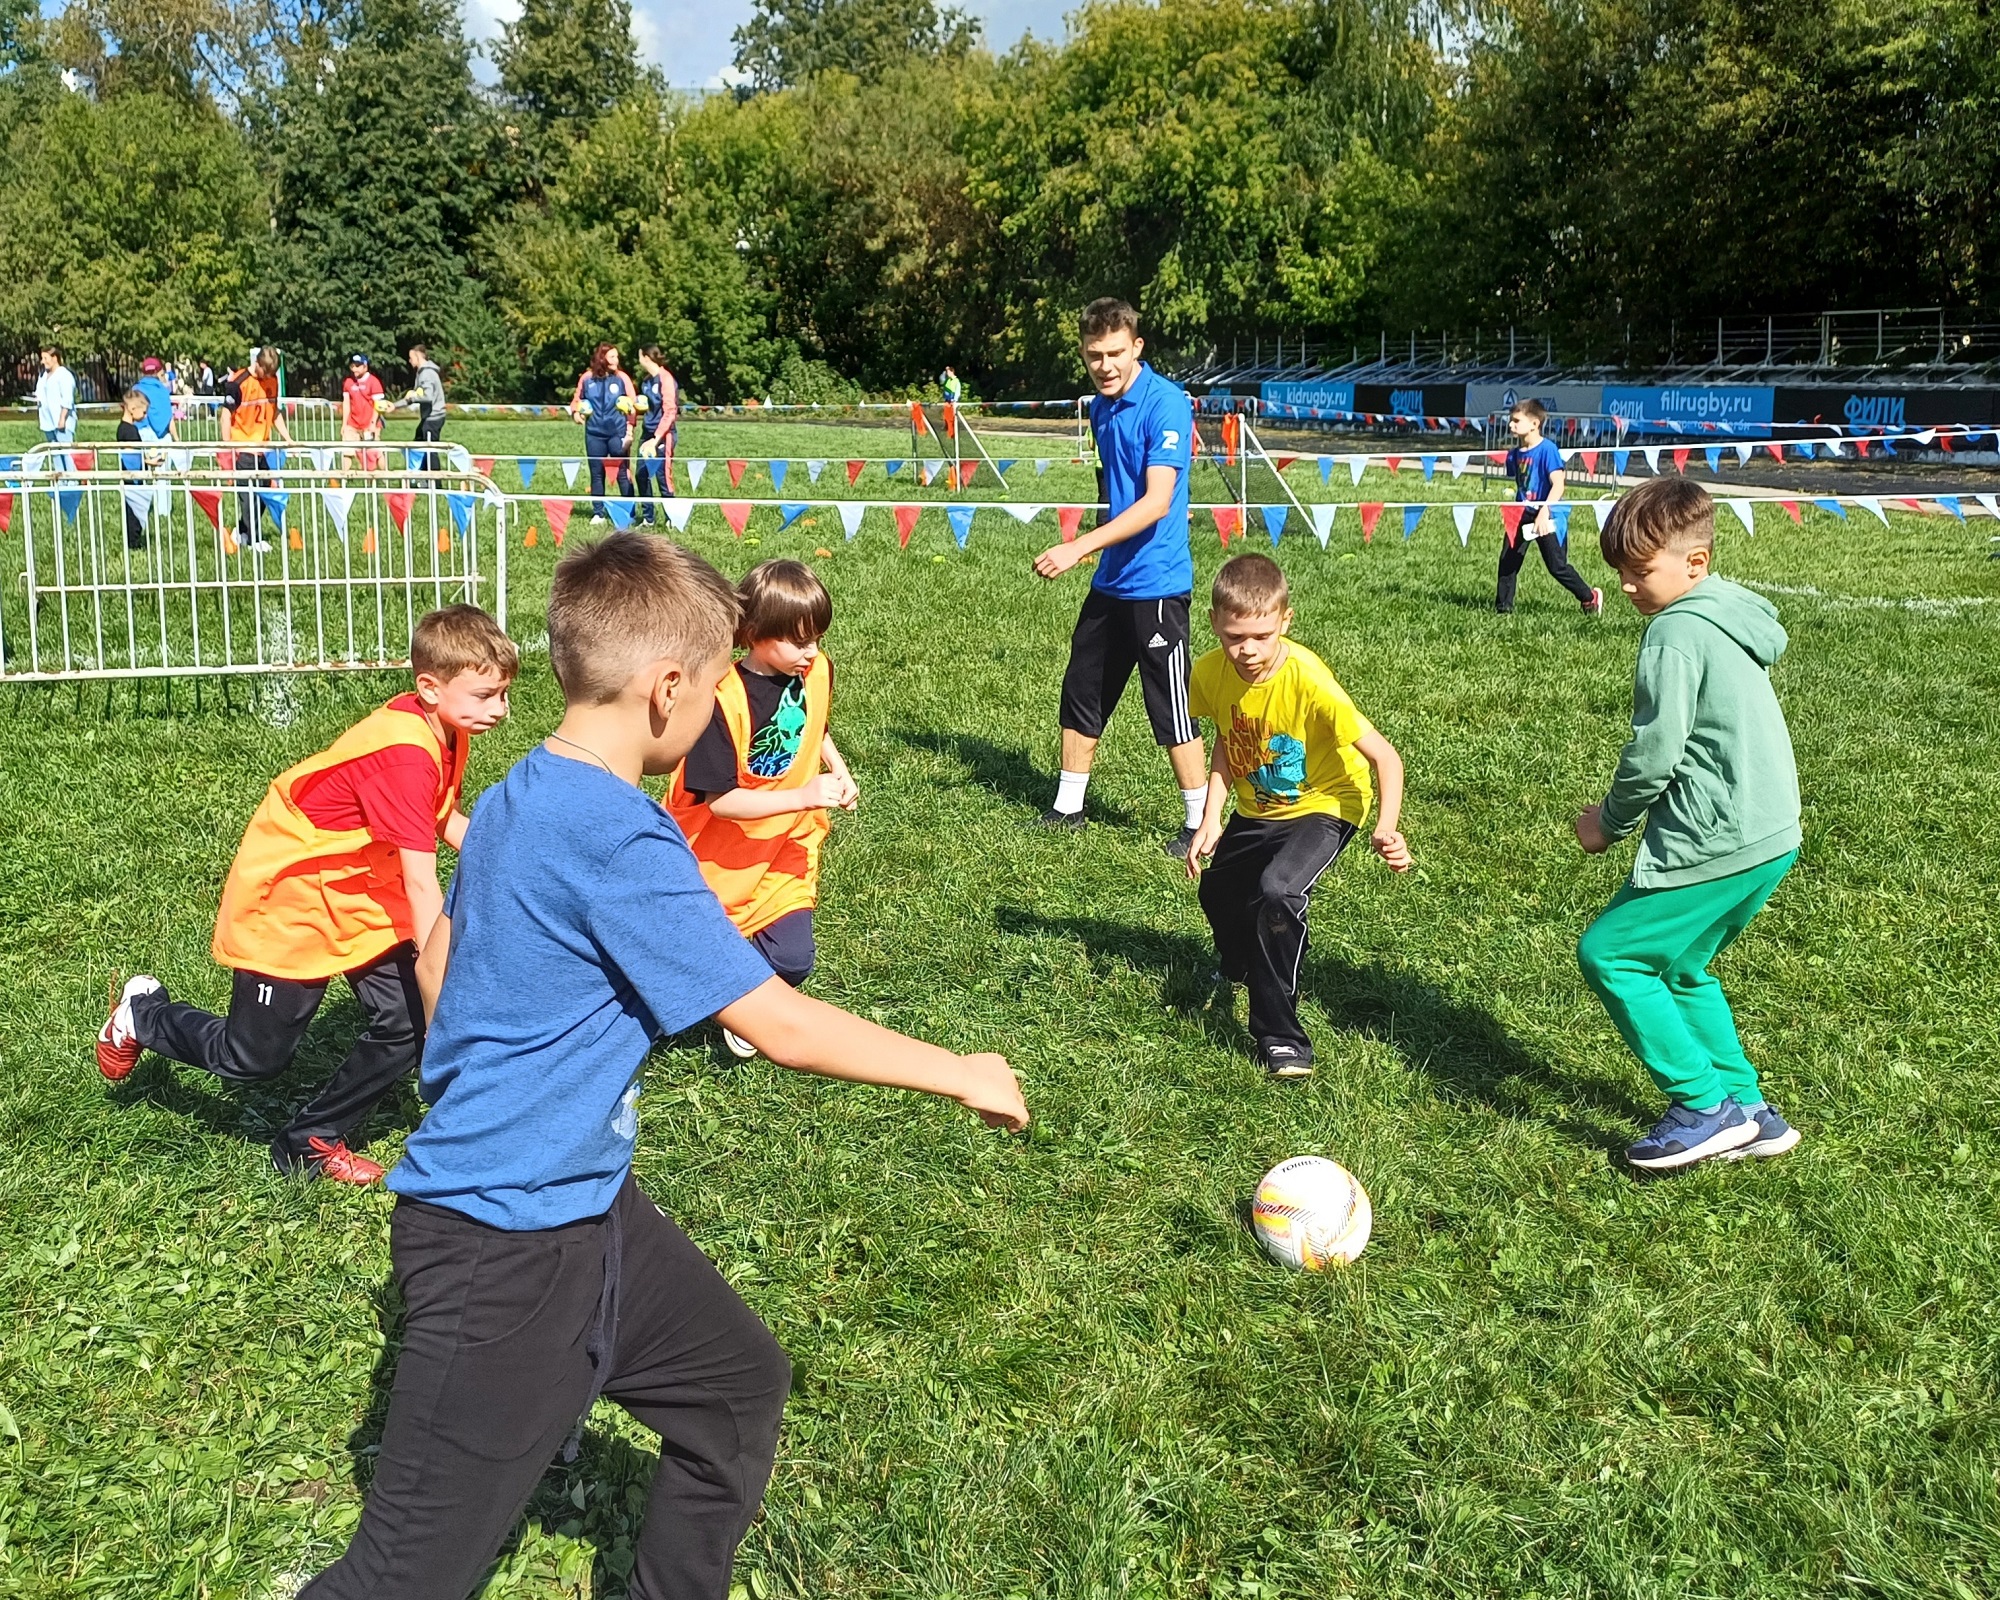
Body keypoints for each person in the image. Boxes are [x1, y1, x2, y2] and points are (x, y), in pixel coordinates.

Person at [297, 532, 1026, 1599]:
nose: (714, 714)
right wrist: (960, 1067)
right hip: (498, 1245)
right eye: (716, 689)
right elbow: (775, 1022)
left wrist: (494, 1065)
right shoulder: (622, 835)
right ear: (665, 687)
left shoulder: (513, 792)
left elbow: (443, 958)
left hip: (587, 1205)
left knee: (736, 1388)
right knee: (403, 1575)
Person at [93, 607, 518, 1183]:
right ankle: (143, 1016)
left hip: (360, 891)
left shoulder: (446, 728)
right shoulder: (405, 756)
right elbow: (422, 883)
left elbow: (439, 818)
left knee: (407, 1023)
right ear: (429, 687)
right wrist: (438, 983)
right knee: (251, 1060)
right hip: (293, 898)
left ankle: (308, 1141)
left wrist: (516, 861)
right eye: (487, 695)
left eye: (504, 694)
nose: (501, 710)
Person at [1574, 477, 1803, 1171]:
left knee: (1610, 953)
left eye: (1640, 571)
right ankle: (1752, 1112)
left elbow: (1653, 754)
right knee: (1680, 965)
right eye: (1619, 573)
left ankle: (1703, 1106)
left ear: (1694, 563)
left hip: (1718, 838)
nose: (1628, 587)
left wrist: (1606, 824)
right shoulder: (1730, 611)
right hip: (1773, 834)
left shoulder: (1673, 633)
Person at [1184, 554, 1412, 1077]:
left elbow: (1386, 757)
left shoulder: (1310, 682)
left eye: (1261, 636)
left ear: (1285, 621)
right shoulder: (1209, 672)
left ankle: (1282, 1038)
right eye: (1233, 636)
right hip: (1257, 805)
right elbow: (1227, 738)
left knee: (1276, 892)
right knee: (1217, 892)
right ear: (1215, 622)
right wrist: (1211, 817)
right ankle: (1240, 963)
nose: (1246, 650)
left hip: (1327, 803)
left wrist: (1386, 827)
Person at [1032, 298, 1208, 854]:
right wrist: (1096, 550)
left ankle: (1199, 821)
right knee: (1082, 690)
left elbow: (1156, 501)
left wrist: (1078, 545)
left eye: (1114, 354)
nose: (1104, 366)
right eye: (1093, 357)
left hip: (1157, 584)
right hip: (1111, 580)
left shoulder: (1167, 404)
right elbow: (1115, 492)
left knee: (1171, 707)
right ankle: (1067, 809)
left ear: (1137, 347)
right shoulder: (1101, 409)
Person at [668, 559, 858, 1058]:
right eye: (799, 640)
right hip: (717, 858)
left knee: (793, 962)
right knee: (678, 960)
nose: (812, 651)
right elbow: (722, 801)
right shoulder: (718, 704)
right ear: (753, 633)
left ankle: (744, 1000)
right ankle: (722, 993)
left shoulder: (814, 670)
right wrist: (804, 795)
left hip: (784, 848)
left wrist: (836, 769)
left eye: (817, 637)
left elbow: (813, 727)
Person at [1497, 398, 1603, 616]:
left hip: (1547, 512)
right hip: (1521, 512)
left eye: (1516, 421)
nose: (1510, 425)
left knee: (1557, 566)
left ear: (1535, 424)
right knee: (1507, 562)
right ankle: (1503, 610)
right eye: (1510, 420)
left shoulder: (1548, 449)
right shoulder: (1515, 453)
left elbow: (1558, 484)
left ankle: (1589, 597)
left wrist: (1544, 512)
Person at [222, 347, 293, 553]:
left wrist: (287, 438)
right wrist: (228, 446)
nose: (269, 377)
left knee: (264, 492)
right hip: (242, 446)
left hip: (263, 448)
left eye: (272, 374)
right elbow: (226, 415)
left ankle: (242, 532)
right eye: (266, 372)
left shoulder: (272, 381)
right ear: (258, 364)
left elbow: (274, 411)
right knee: (249, 495)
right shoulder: (238, 381)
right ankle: (253, 539)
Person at [570, 343, 639, 524]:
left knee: (622, 472)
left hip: (618, 432)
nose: (617, 360)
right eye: (613, 357)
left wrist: (630, 429)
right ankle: (598, 513)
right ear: (602, 359)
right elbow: (576, 401)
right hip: (594, 433)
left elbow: (634, 406)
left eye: (617, 357)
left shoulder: (622, 378)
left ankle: (629, 513)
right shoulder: (586, 378)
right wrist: (576, 414)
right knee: (596, 473)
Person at [634, 346, 679, 523]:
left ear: (645, 357)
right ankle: (648, 518)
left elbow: (670, 411)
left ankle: (672, 518)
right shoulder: (646, 381)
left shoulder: (666, 379)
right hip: (647, 433)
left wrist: (656, 438)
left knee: (662, 477)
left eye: (639, 356)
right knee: (641, 474)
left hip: (663, 435)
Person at [114, 390, 162, 551]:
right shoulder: (130, 431)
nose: (146, 415)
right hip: (132, 475)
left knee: (133, 509)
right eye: (144, 411)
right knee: (134, 510)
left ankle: (134, 540)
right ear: (133, 409)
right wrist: (150, 462)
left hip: (131, 473)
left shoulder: (123, 428)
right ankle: (133, 543)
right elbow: (133, 455)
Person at [404, 344, 446, 471]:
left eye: (411, 357)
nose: (409, 361)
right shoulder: (423, 372)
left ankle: (435, 483)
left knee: (430, 450)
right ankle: (421, 476)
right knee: (419, 442)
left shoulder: (426, 373)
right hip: (429, 417)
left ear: (417, 356)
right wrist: (394, 406)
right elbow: (414, 395)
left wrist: (411, 398)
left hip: (433, 418)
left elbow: (427, 397)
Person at [341, 352, 386, 463]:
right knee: (347, 452)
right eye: (352, 366)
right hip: (352, 424)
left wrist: (373, 423)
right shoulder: (348, 382)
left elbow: (378, 405)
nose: (354, 369)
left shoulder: (374, 382)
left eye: (358, 366)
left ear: (365, 366)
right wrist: (344, 424)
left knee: (375, 454)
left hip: (369, 424)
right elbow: (346, 404)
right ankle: (344, 478)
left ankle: (385, 477)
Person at [35, 345, 76, 452]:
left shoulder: (64, 375)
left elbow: (67, 399)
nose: (43, 362)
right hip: (48, 422)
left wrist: (62, 419)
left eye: (45, 358)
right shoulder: (43, 375)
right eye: (42, 358)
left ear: (54, 358)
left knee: (67, 455)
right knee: (55, 454)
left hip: (61, 423)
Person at [132, 357, 177, 442]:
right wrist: (177, 440)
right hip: (163, 437)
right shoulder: (163, 390)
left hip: (141, 434)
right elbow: (169, 417)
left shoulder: (136, 389)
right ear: (157, 371)